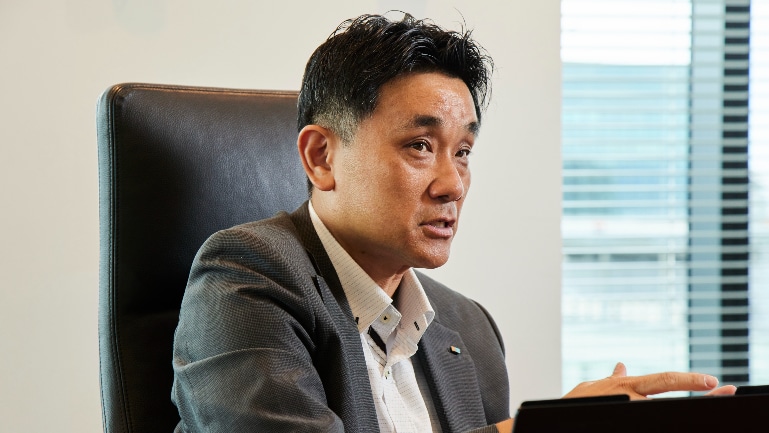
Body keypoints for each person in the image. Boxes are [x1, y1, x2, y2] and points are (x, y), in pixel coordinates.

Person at [170, 13, 736, 433]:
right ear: (321, 157)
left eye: (463, 152)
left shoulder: (469, 328)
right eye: (420, 145)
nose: (453, 184)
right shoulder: (246, 279)